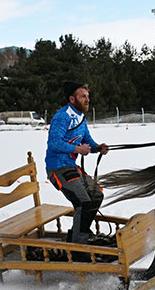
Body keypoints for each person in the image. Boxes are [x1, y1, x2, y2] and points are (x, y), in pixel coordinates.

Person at [45, 81, 109, 246]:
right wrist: (77, 148)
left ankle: (80, 233)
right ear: (72, 99)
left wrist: (98, 148)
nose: (87, 99)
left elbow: (87, 140)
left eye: (88, 96)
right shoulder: (62, 116)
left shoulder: (81, 117)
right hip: (57, 168)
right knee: (82, 201)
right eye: (83, 96)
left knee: (96, 194)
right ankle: (79, 246)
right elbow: (54, 143)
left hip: (71, 167)